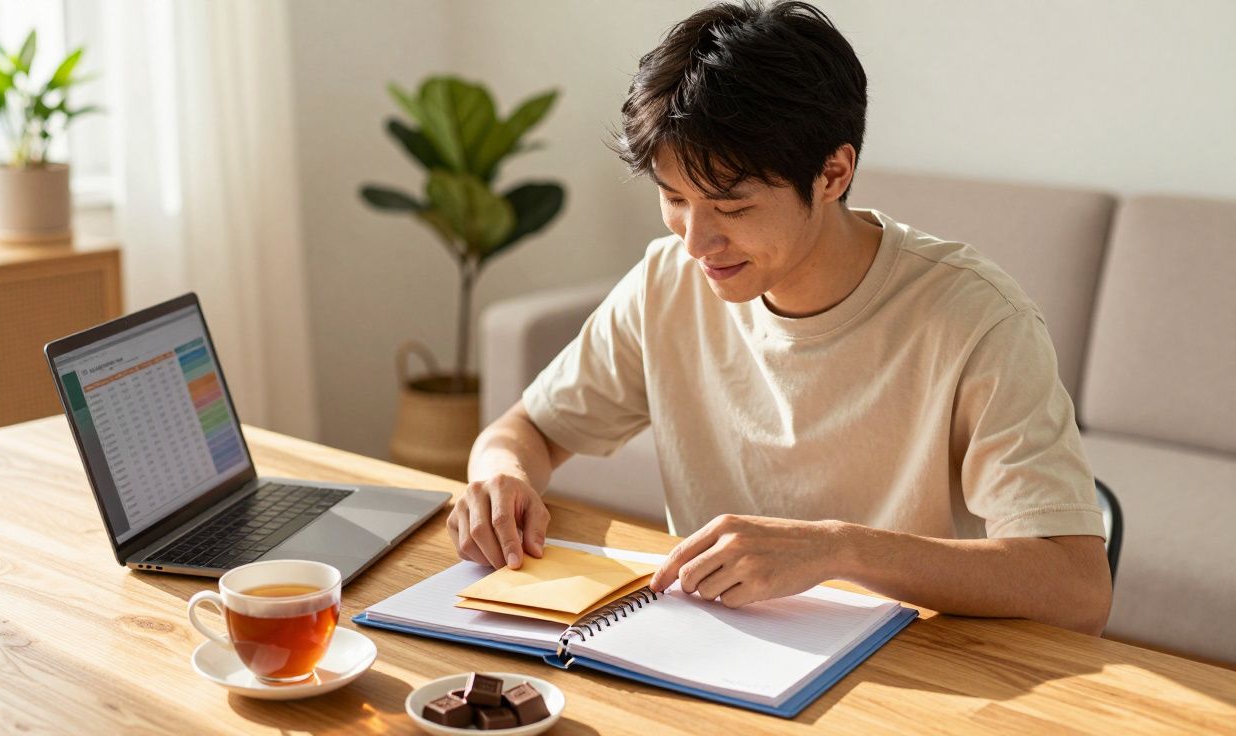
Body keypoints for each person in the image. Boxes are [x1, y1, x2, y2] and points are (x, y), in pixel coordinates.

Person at [446, 0, 1112, 635]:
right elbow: (529, 429)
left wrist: (836, 550)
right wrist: (499, 479)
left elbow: (1078, 588)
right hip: (714, 653)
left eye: (732, 209)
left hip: (918, 673)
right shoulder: (666, 282)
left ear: (833, 173)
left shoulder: (976, 319)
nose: (696, 242)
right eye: (674, 198)